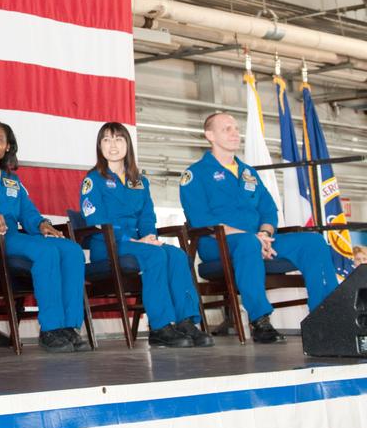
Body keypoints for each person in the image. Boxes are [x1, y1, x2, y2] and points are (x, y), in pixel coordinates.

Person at [179, 112, 339, 344]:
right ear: (209, 135)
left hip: (258, 240)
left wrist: (264, 234)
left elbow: (269, 210)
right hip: (218, 244)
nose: (235, 133)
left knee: (312, 241)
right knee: (248, 243)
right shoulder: (195, 174)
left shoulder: (248, 173)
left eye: (236, 128)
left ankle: (325, 316)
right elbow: (202, 220)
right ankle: (260, 320)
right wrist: (253, 238)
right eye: (227, 129)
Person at [0, 121, 88, 353]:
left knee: (70, 249)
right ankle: (51, 329)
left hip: (15, 236)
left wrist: (42, 224)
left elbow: (28, 212)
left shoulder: (13, 180)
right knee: (47, 252)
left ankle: (69, 327)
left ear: (8, 147)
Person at [79, 123, 211, 349]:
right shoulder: (93, 180)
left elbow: (147, 217)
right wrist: (133, 241)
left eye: (119, 139)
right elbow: (96, 220)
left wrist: (149, 236)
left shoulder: (139, 181)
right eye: (107, 140)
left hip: (140, 244)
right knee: (155, 256)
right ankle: (159, 327)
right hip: (108, 244)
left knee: (177, 255)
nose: (113, 145)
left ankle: (185, 321)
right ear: (99, 146)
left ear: (127, 144)